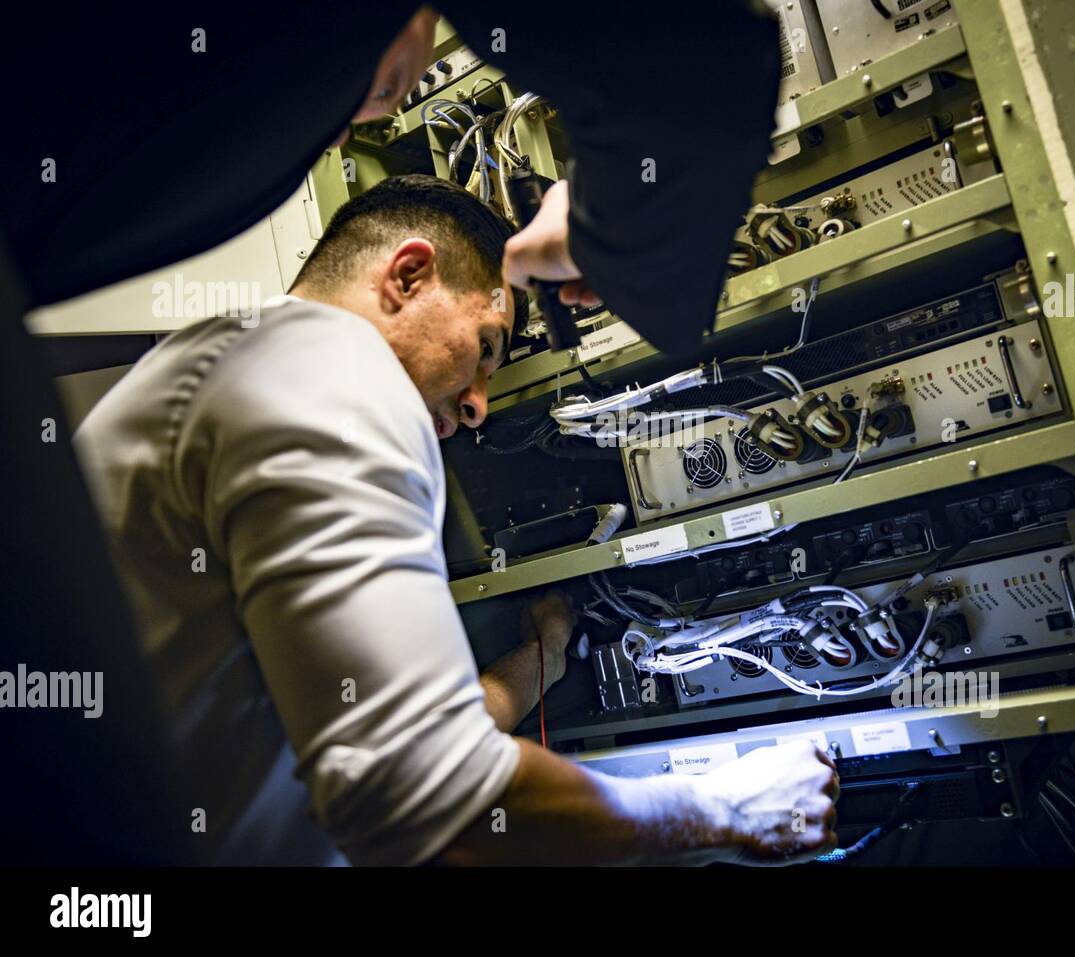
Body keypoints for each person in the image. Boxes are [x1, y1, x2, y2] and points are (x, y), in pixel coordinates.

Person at [74, 175, 839, 865]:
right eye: (484, 349)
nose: (477, 405)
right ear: (408, 276)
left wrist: (545, 654)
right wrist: (725, 810)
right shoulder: (334, 376)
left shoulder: (250, 362)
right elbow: (428, 800)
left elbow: (384, 720)